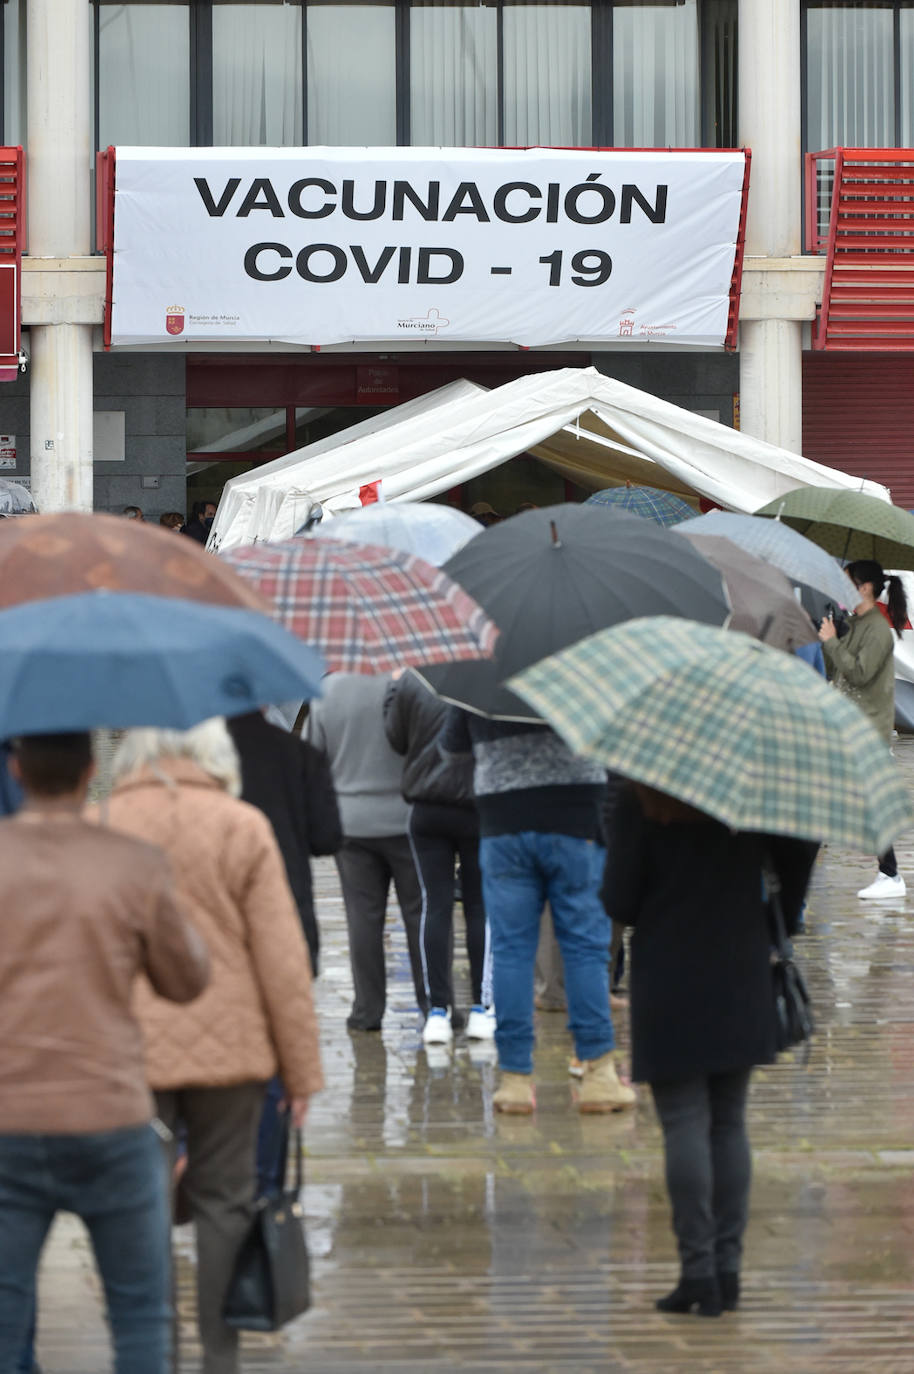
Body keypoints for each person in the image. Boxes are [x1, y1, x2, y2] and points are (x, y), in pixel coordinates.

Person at [98, 720, 323, 1374]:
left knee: (141, 1200)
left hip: (133, 1047)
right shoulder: (242, 824)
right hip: (233, 1053)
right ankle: (218, 1359)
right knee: (226, 1201)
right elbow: (282, 959)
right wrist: (301, 1071)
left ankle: (152, 1352)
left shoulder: (108, 824)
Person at [0, 732, 209, 1374]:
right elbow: (187, 980)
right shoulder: (133, 863)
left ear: (16, 769)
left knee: (4, 1321)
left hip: (8, 1118)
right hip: (111, 1116)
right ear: (93, 770)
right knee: (140, 1315)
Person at [604, 783, 818, 1317]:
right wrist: (780, 918)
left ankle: (697, 1272)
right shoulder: (761, 790)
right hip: (740, 963)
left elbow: (619, 900)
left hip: (668, 969)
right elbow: (795, 871)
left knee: (683, 1121)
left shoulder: (642, 794)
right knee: (728, 1122)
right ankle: (728, 1270)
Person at [440, 710, 635, 1115]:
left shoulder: (481, 664)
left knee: (512, 951)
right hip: (577, 815)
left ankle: (514, 1078)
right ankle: (598, 1072)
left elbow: (451, 747)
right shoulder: (582, 658)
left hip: (503, 818)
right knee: (585, 947)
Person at [226, 708, 342, 1196]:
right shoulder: (298, 754)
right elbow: (326, 839)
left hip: (218, 927)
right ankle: (265, 1184)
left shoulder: (196, 757)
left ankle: (215, 1169)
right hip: (288, 920)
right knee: (274, 1050)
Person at [306, 673, 428, 1032]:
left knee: (362, 918)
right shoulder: (412, 686)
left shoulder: (325, 690)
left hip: (352, 824)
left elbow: (313, 760)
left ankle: (366, 1010)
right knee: (420, 914)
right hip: (408, 819)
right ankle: (434, 1003)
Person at [383, 670, 493, 1047]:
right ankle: (481, 1008)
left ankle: (438, 1012)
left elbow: (395, 739)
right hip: (477, 803)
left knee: (436, 905)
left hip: (428, 804)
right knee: (480, 907)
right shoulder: (486, 674)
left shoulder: (412, 679)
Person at [819, 558, 908, 899]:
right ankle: (889, 874)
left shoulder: (876, 629)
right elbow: (838, 669)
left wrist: (831, 641)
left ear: (865, 586)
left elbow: (859, 673)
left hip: (866, 728)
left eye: (846, 581)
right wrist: (833, 634)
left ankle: (891, 875)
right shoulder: (857, 623)